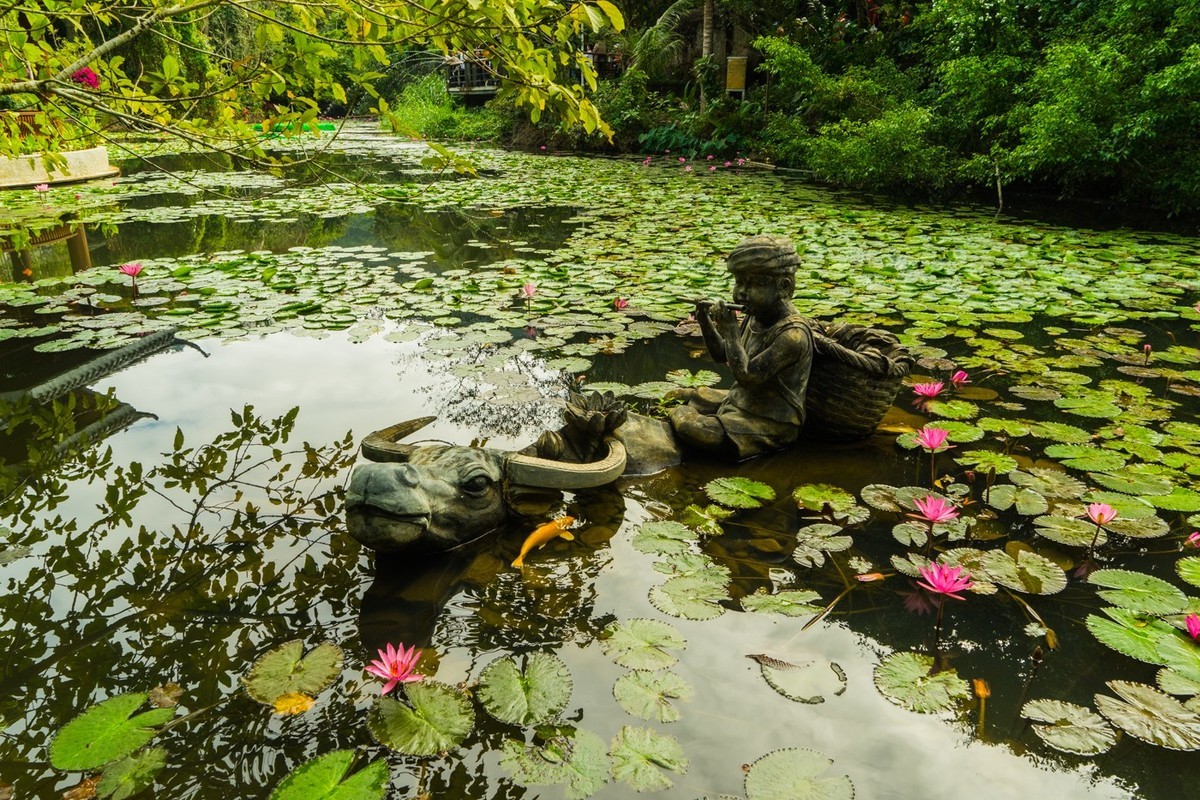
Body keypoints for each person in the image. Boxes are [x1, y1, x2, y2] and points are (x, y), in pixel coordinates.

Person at [668, 235, 815, 459]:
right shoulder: (754, 315)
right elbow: (721, 354)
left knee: (693, 428)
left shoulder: (792, 335)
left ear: (784, 286)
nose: (741, 292)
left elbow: (747, 376)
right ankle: (693, 413)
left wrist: (730, 331)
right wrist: (705, 321)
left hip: (769, 423)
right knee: (678, 394)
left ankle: (680, 417)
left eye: (755, 283)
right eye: (739, 282)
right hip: (740, 401)